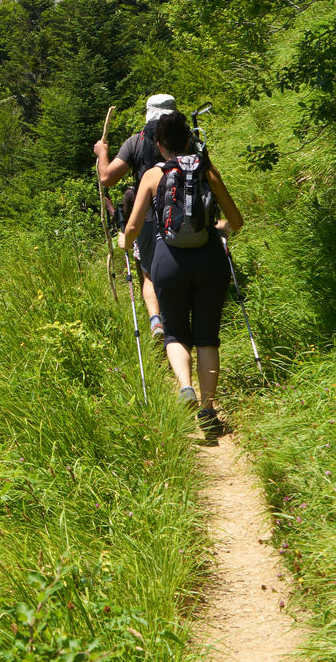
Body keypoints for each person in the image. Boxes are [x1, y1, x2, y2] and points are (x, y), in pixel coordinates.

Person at [119, 110, 244, 437]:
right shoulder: (206, 170)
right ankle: (208, 409)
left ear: (159, 145)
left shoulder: (152, 175)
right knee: (207, 337)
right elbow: (236, 220)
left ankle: (185, 386)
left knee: (174, 332)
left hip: (168, 261)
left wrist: (123, 240)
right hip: (209, 260)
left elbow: (132, 228)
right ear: (189, 140)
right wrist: (216, 228)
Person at [94, 94, 180, 341]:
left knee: (149, 272)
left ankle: (156, 320)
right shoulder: (189, 140)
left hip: (149, 214)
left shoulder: (137, 141)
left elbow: (107, 177)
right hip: (183, 212)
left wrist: (102, 152)